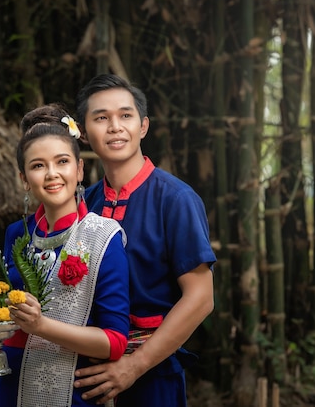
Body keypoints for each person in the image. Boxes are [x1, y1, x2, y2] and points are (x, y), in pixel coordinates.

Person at [0, 108, 131, 407]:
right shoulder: (17, 232)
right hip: (7, 388)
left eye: (62, 162)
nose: (52, 173)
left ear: (79, 170)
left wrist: (41, 326)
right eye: (38, 165)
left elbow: (114, 343)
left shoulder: (103, 237)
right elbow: (0, 309)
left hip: (68, 391)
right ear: (24, 178)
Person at [72, 73, 216, 406]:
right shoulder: (84, 204)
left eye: (125, 115)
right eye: (101, 118)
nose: (115, 126)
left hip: (152, 374)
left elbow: (200, 298)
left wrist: (133, 366)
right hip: (88, 373)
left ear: (143, 127)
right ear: (82, 131)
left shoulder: (176, 199)